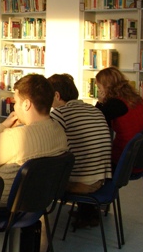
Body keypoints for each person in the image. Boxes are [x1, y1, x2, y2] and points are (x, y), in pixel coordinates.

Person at [0, 73, 68, 206]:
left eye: (16, 102)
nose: (14, 107)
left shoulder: (15, 137)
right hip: (37, 204)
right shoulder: (59, 131)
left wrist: (3, 127)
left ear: (26, 104)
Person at [48, 73, 112, 227]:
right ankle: (88, 213)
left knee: (36, 177)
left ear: (56, 95)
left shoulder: (59, 113)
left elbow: (47, 145)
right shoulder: (93, 109)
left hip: (82, 183)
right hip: (101, 180)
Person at [95, 66, 143, 166]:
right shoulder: (135, 98)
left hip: (124, 160)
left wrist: (100, 102)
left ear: (107, 86)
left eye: (99, 87)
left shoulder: (115, 103)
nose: (99, 91)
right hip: (141, 156)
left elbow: (95, 121)